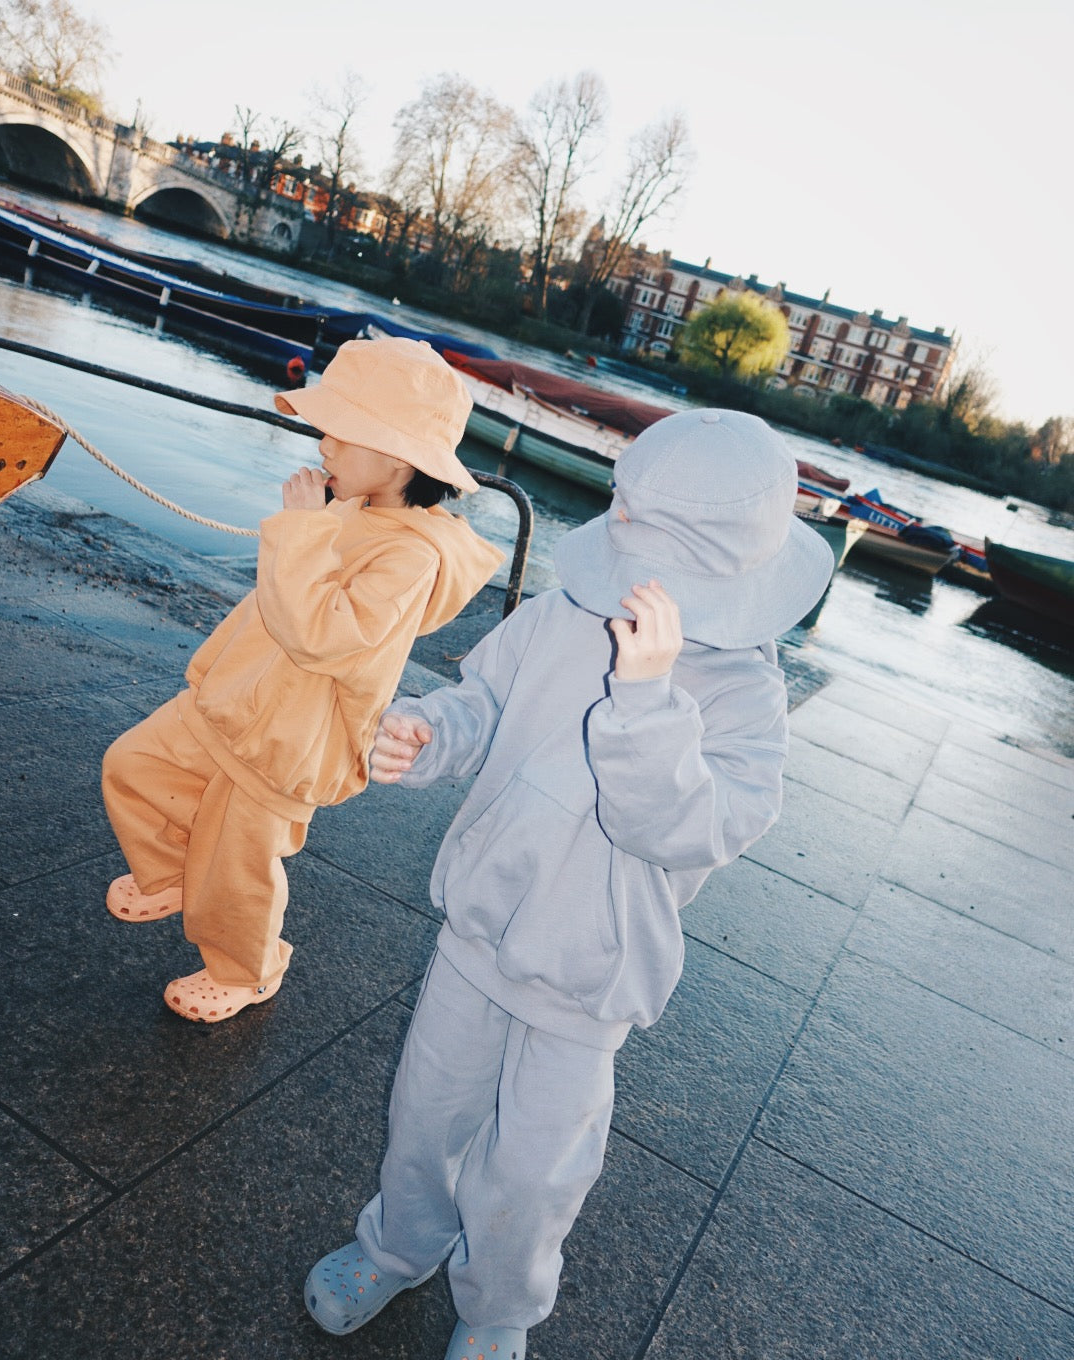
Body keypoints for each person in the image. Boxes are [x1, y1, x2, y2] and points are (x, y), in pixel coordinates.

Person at [302, 407, 835, 1360]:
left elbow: (695, 828)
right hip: (479, 931)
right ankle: (400, 1245)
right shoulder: (556, 615)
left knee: (537, 1167)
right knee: (426, 1110)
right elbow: (486, 701)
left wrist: (647, 700)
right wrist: (431, 733)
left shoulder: (746, 696)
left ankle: (499, 1305)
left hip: (590, 976)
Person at [101, 337, 504, 1023]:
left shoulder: (413, 557)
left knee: (239, 866)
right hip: (235, 698)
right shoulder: (352, 508)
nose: (324, 444)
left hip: (292, 734)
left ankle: (248, 969)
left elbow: (323, 636)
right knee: (133, 765)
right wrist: (310, 527)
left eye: (341, 432)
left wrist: (298, 530)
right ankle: (173, 873)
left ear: (398, 455)